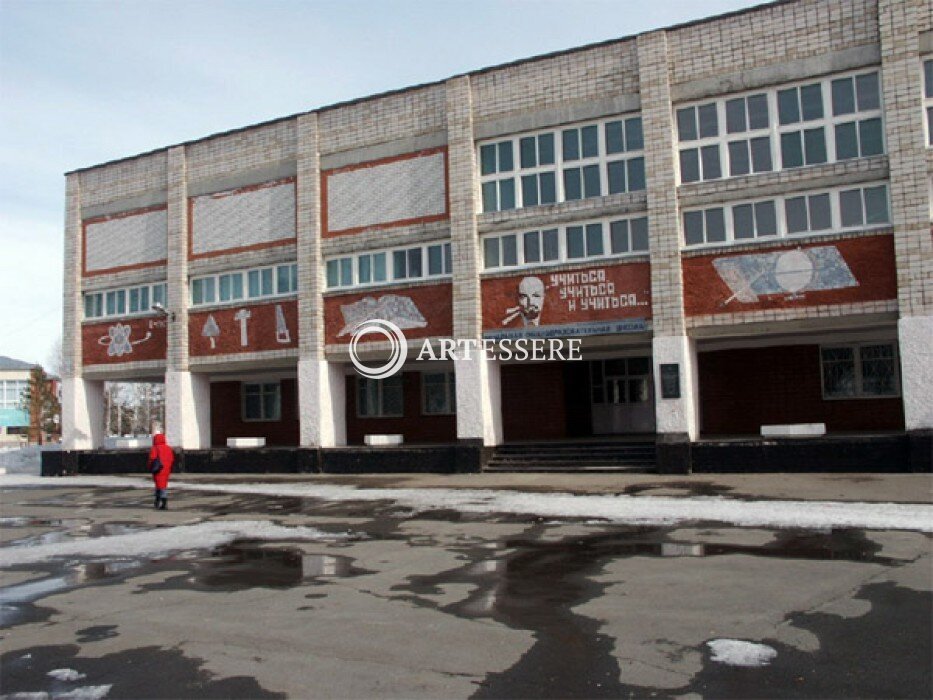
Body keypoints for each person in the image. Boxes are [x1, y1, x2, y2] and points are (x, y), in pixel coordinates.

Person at [147, 433, 175, 510]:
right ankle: (159, 501)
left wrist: (150, 467)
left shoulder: (155, 448)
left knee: (160, 486)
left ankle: (162, 502)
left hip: (158, 469)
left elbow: (152, 459)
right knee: (163, 485)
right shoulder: (168, 448)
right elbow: (172, 459)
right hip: (166, 470)